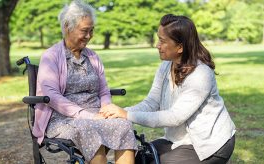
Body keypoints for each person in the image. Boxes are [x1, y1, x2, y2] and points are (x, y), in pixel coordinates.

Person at [101, 14, 236, 164]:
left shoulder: (201, 74)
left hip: (209, 144)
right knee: (140, 159)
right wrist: (120, 113)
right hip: (180, 141)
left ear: (180, 47)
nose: (157, 45)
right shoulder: (166, 66)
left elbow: (175, 117)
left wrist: (127, 115)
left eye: (162, 41)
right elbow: (151, 102)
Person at [32, 1, 137, 163]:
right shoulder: (51, 56)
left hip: (96, 115)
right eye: (84, 31)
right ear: (67, 27)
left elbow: (103, 90)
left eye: (91, 30)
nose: (89, 36)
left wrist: (107, 109)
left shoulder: (93, 57)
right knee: (89, 128)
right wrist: (86, 115)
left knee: (124, 125)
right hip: (63, 119)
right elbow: (51, 95)